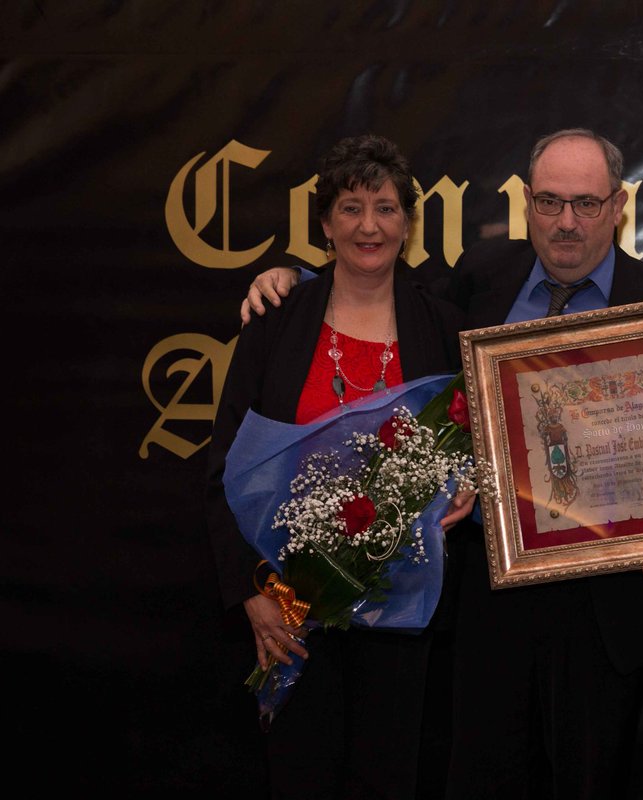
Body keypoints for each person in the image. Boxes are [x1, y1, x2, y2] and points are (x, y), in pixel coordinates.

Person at [242, 129, 643, 798]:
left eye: (585, 203)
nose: (566, 222)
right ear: (525, 202)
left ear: (619, 205)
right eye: (548, 201)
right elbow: (375, 290)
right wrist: (294, 277)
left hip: (607, 605)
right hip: (483, 597)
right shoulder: (482, 277)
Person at [206, 133, 467, 799]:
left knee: (390, 779)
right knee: (301, 777)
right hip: (292, 607)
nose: (368, 226)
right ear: (324, 224)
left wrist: (469, 487)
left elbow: (472, 442)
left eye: (384, 208)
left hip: (401, 614)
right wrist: (251, 593)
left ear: (408, 223)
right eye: (350, 208)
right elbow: (225, 466)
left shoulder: (441, 325)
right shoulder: (278, 317)